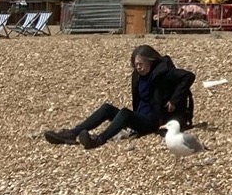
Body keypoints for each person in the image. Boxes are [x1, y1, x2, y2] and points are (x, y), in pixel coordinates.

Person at [44, 45, 194, 148]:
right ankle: (72, 133)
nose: (138, 67)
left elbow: (188, 76)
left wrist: (174, 100)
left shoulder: (163, 72)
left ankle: (98, 140)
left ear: (151, 61)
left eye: (141, 64)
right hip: (139, 117)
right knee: (106, 108)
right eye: (135, 64)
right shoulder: (137, 75)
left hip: (153, 120)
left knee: (124, 113)